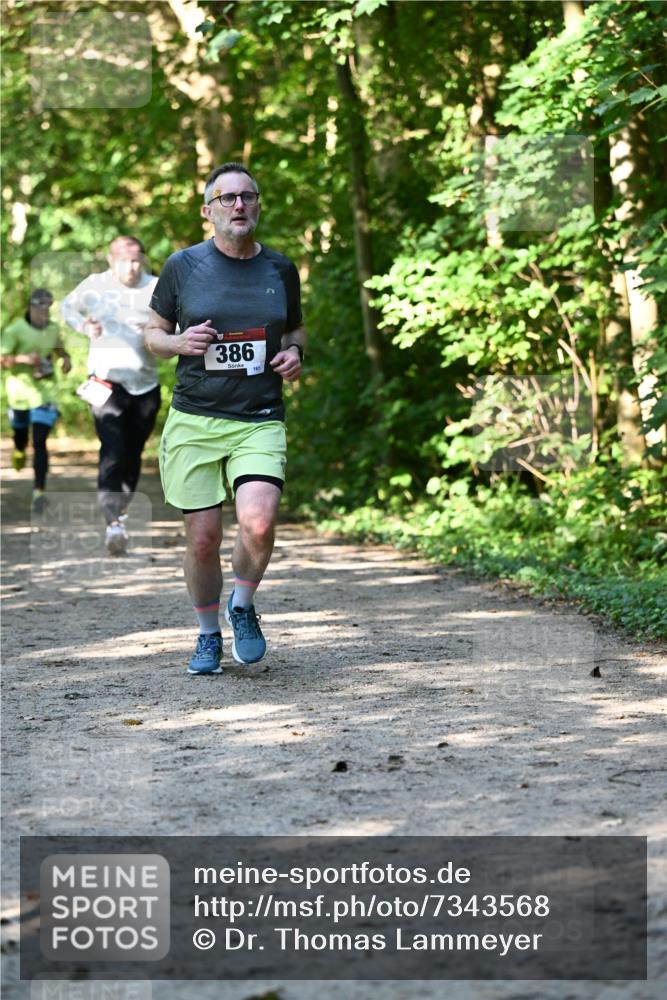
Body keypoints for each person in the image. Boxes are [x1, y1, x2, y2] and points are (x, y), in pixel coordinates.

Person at [145, 162, 306, 675]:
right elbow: (153, 333)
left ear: (258, 205)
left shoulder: (280, 268)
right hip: (195, 418)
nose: (239, 205)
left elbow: (297, 331)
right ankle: (208, 634)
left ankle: (242, 604)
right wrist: (178, 342)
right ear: (208, 210)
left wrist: (295, 354)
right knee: (203, 538)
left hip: (259, 415)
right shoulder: (183, 266)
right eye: (227, 198)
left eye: (248, 197)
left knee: (258, 524)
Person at [61, 236, 161, 555]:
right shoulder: (95, 285)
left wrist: (155, 326)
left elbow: (176, 321)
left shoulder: (156, 287)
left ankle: (120, 514)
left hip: (145, 386)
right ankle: (112, 523)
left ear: (142, 260)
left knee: (132, 454)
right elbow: (67, 307)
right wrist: (84, 326)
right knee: (113, 449)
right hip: (104, 383)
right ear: (110, 259)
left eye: (135, 260)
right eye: (123, 260)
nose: (130, 267)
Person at [1, 288, 71, 514]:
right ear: (31, 306)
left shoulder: (52, 329)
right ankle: (19, 449)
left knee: (40, 441)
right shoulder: (15, 330)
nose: (44, 310)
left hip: (45, 392)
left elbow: (60, 349)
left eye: (47, 306)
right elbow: (2, 360)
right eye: (40, 306)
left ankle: (39, 492)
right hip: (19, 393)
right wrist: (24, 358)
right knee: (21, 436)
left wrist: (66, 359)